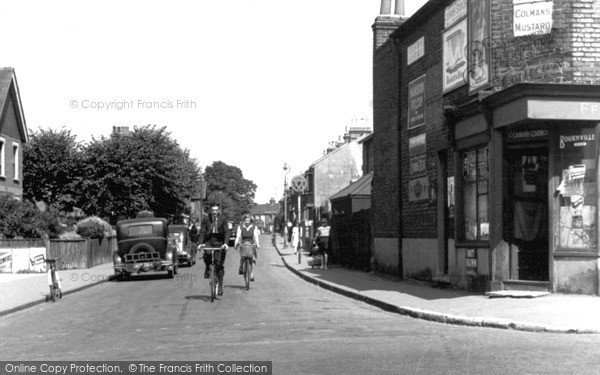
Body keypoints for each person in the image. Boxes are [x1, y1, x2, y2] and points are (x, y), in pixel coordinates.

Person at [199, 203, 230, 295]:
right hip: (209, 240)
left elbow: (227, 231)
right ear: (210, 211)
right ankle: (208, 268)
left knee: (219, 264)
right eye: (213, 210)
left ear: (219, 210)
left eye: (216, 210)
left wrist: (226, 243)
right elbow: (202, 231)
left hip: (219, 241)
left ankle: (220, 286)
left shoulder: (223, 218)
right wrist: (200, 243)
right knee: (207, 254)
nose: (214, 212)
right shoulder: (206, 218)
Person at [234, 214, 260, 281]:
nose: (247, 221)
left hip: (251, 243)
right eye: (246, 219)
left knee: (252, 259)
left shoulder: (254, 227)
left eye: (248, 219)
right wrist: (236, 243)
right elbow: (238, 236)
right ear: (244, 220)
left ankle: (251, 273)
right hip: (243, 243)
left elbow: (256, 236)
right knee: (242, 257)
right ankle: (241, 266)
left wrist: (257, 244)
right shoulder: (240, 227)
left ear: (250, 220)